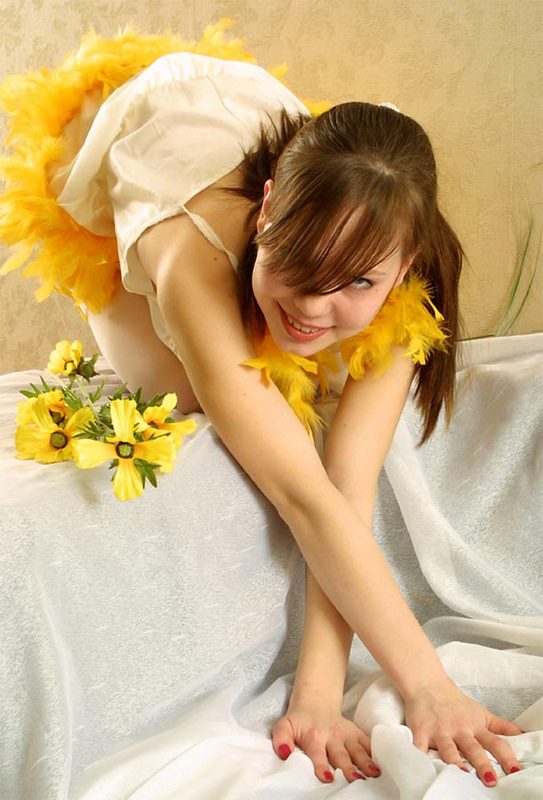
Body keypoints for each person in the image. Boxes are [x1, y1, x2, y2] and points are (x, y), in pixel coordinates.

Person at [0, 26, 523, 788]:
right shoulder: (190, 256)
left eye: (355, 283)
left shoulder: (401, 269)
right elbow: (298, 496)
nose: (311, 308)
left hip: (275, 168)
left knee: (300, 358)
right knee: (183, 390)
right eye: (298, 266)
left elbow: (342, 490)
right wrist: (425, 685)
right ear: (268, 210)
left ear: (403, 265)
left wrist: (323, 696)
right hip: (141, 145)